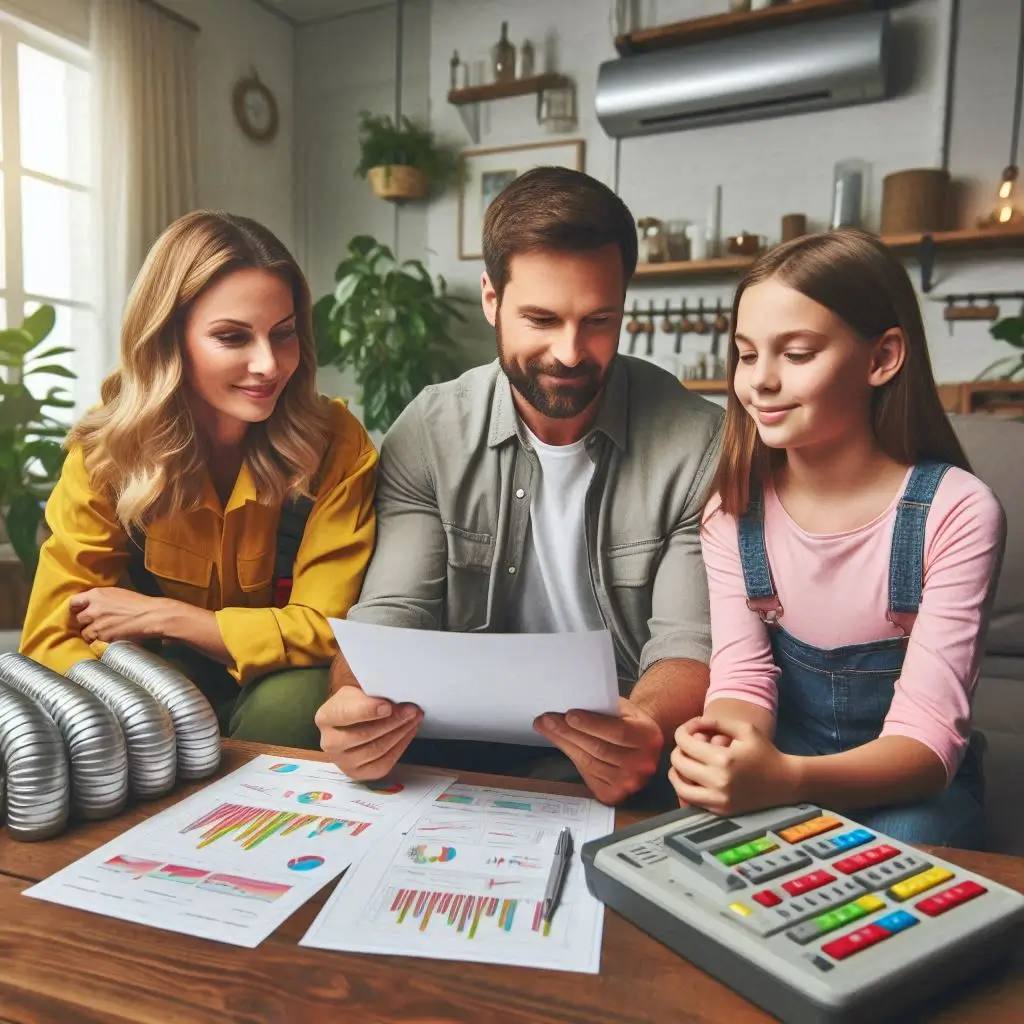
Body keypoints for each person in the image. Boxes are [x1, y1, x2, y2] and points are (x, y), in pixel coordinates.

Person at [315, 167, 724, 806]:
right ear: (491, 299)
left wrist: (643, 726)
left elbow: (687, 642)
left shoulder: (697, 441)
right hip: (449, 732)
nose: (569, 352)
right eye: (541, 318)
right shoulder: (428, 430)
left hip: (618, 722)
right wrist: (352, 705)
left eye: (598, 320)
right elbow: (392, 616)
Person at [669, 228, 1005, 848]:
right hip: (780, 761)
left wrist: (787, 780)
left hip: (908, 784)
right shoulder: (732, 509)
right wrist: (724, 747)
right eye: (747, 355)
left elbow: (928, 745)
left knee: (896, 855)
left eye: (796, 354)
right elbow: (742, 679)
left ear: (882, 358)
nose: (760, 382)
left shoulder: (955, 512)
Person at [20, 211, 377, 748]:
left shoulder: (336, 443)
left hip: (280, 679)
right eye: (233, 337)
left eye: (283, 335)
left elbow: (330, 627)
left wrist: (168, 617)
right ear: (169, 340)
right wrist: (143, 672)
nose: (269, 365)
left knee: (293, 706)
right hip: (156, 673)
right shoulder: (107, 449)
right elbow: (53, 633)